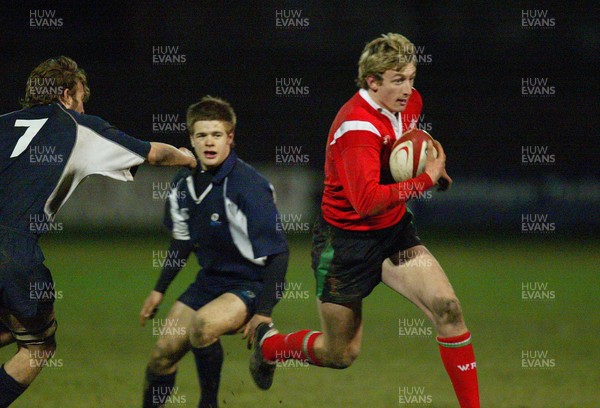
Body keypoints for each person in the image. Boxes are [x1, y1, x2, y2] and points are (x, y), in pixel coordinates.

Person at [250, 33, 480, 407]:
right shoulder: (356, 127)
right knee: (340, 354)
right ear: (372, 82)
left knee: (448, 308)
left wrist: (432, 163)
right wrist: (424, 180)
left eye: (411, 77)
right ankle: (271, 346)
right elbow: (367, 202)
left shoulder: (410, 103)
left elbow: (411, 143)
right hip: (344, 246)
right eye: (397, 80)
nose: (408, 89)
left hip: (393, 235)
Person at [0, 56, 197, 407]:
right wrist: (187, 157)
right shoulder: (77, 127)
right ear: (64, 95)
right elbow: (152, 154)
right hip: (13, 251)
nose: (81, 105)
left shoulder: (3, 123)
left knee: (11, 323)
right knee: (38, 346)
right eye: (80, 98)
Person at [139, 96, 288, 408]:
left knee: (203, 327)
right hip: (209, 282)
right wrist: (159, 290)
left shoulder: (248, 186)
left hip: (249, 284)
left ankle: (209, 403)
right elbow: (182, 242)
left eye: (217, 135)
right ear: (191, 139)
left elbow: (278, 253)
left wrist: (263, 311)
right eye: (202, 135)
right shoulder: (183, 184)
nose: (209, 142)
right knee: (161, 356)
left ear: (230, 137)